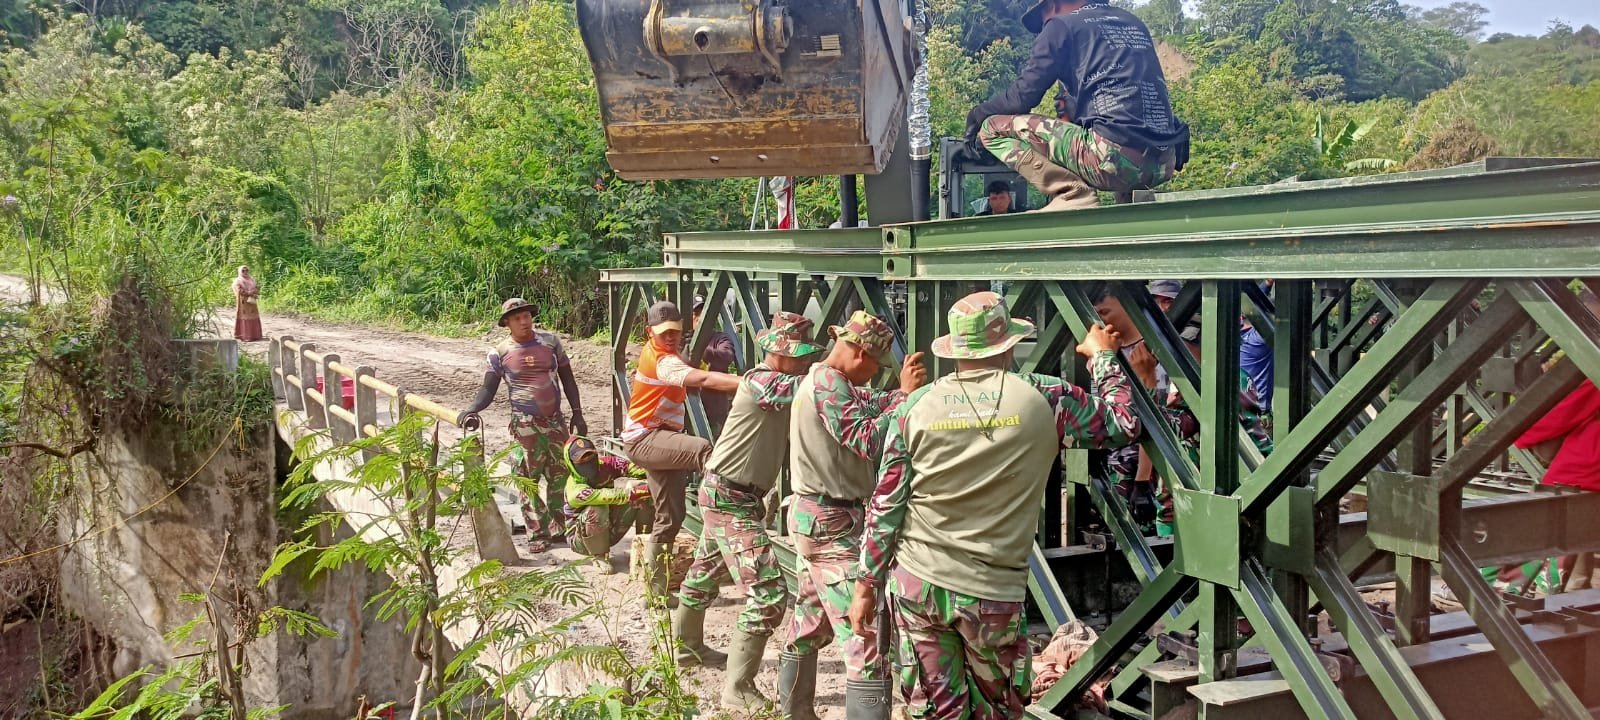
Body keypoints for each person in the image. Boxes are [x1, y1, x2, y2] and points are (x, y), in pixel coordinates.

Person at [848, 291, 1139, 720]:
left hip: (918, 582)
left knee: (935, 710)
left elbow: (886, 503)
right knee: (996, 709)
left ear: (955, 349)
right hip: (990, 592)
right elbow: (1124, 423)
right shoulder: (1045, 397)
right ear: (1007, 344)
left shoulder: (914, 406)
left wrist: (865, 586)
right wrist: (1102, 357)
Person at [780, 310, 927, 720]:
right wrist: (907, 401)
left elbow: (873, 403)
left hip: (818, 519)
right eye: (876, 365)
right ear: (861, 353)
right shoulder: (829, 384)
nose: (875, 374)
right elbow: (868, 439)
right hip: (831, 523)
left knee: (810, 622)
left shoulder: (829, 381)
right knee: (865, 635)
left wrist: (902, 394)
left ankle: (794, 712)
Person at [674, 312, 824, 710]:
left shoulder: (779, 382)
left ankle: (686, 650)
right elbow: (814, 387)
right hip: (728, 496)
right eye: (802, 355)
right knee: (770, 591)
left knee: (704, 573)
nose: (807, 362)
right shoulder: (763, 381)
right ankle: (737, 689)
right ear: (779, 352)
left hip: (734, 495)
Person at [965, 0, 1188, 211]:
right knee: (1113, 137)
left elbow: (1022, 98)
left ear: (1053, 5)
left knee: (991, 128)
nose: (1043, 28)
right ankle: (1131, 208)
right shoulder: (1132, 23)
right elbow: (1145, 91)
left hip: (1112, 160)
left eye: (1042, 19)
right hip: (1164, 160)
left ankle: (1072, 194)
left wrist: (978, 114)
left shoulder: (1060, 25)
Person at [622, 300, 742, 604]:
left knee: (670, 518)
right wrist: (750, 383)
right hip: (645, 439)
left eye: (675, 331)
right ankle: (731, 503)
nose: (670, 337)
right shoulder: (661, 360)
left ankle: (656, 594)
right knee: (702, 449)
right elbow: (703, 378)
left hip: (660, 439)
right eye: (664, 332)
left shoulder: (669, 353)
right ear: (649, 332)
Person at [459, 298, 588, 553]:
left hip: (555, 423)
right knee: (527, 480)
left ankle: (559, 527)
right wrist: (472, 409)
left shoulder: (551, 343)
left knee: (561, 476)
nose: (524, 321)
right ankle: (537, 533)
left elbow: (568, 380)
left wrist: (578, 413)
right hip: (524, 425)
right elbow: (488, 389)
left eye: (527, 316)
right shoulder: (499, 353)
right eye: (517, 318)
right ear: (507, 323)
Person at [560, 435, 651, 565]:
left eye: (590, 456)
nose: (588, 462)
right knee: (597, 508)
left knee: (642, 491)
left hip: (609, 526)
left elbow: (632, 468)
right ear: (571, 464)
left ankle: (645, 547)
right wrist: (635, 492)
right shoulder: (574, 489)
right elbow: (606, 496)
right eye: (582, 460)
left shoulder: (607, 464)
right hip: (581, 540)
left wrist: (657, 477)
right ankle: (599, 556)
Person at [692, 295, 739, 434]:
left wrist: (701, 349)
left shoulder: (720, 339)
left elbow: (726, 357)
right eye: (695, 313)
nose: (699, 318)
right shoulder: (681, 339)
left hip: (714, 411)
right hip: (688, 407)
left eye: (703, 313)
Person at [232, 266, 263, 342]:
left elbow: (257, 288)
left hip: (252, 301)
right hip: (243, 303)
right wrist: (249, 293)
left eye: (246, 270)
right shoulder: (238, 281)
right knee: (245, 317)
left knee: (253, 316)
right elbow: (239, 291)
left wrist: (255, 292)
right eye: (243, 271)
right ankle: (245, 336)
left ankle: (255, 335)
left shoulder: (251, 280)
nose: (245, 272)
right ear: (240, 272)